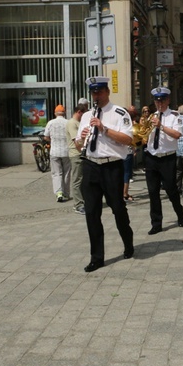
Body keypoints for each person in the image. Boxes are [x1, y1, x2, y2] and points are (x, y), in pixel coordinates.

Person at [76, 77, 134, 272]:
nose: (96, 96)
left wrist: (104, 128)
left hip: (111, 166)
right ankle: (97, 257)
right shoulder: (86, 115)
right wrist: (81, 138)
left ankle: (128, 242)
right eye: (93, 92)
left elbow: (127, 139)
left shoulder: (118, 113)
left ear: (107, 92)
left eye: (99, 92)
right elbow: (77, 145)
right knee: (91, 213)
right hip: (90, 165)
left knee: (117, 208)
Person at [145, 87, 183, 235]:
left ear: (168, 100)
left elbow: (177, 134)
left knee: (170, 190)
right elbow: (145, 136)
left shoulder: (175, 116)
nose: (159, 103)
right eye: (157, 100)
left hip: (167, 158)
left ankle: (179, 213)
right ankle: (156, 223)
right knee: (153, 192)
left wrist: (161, 126)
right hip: (151, 157)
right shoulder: (151, 116)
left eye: (162, 100)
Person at [44, 105, 70, 203]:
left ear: (55, 113)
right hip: (66, 151)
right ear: (64, 113)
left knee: (56, 173)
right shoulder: (68, 123)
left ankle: (59, 193)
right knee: (66, 173)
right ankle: (66, 194)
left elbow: (46, 137)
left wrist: (53, 140)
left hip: (54, 151)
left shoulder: (50, 123)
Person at [66, 104, 87, 214]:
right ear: (79, 112)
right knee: (77, 180)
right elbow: (77, 141)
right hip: (76, 154)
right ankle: (78, 205)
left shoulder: (79, 123)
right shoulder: (72, 123)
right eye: (84, 113)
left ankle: (83, 201)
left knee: (82, 179)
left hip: (82, 154)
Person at [122, 106, 140, 202]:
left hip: (120, 152)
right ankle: (124, 193)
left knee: (121, 173)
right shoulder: (130, 124)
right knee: (126, 173)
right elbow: (134, 138)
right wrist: (135, 149)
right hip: (128, 151)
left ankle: (122, 193)